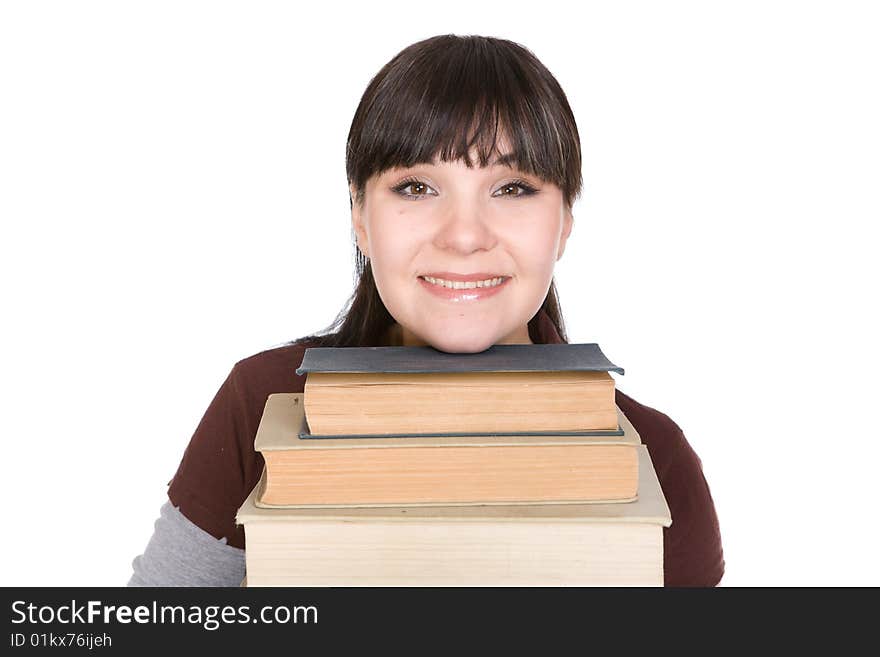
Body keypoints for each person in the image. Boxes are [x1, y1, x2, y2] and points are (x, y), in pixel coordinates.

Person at [128, 33, 724, 587]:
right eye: (417, 187)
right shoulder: (262, 406)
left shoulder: (653, 456)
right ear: (360, 217)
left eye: (513, 188)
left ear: (565, 221)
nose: (464, 236)